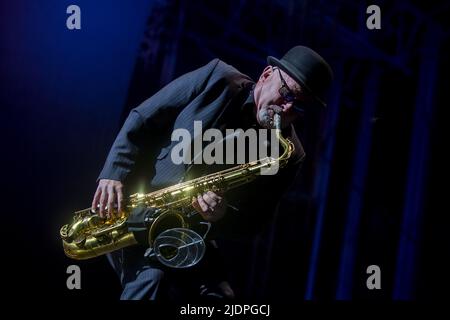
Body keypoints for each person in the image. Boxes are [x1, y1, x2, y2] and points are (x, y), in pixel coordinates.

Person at [91, 45, 333, 300]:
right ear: (266, 75)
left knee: (223, 299)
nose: (286, 109)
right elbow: (143, 117)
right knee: (153, 280)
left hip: (188, 233)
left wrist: (223, 214)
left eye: (299, 107)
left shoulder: (289, 154)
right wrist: (113, 174)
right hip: (132, 210)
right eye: (286, 94)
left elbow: (255, 223)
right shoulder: (217, 78)